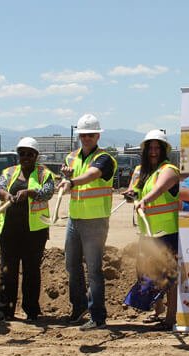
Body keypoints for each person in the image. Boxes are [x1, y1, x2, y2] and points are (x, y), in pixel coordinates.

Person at [56, 114, 116, 331]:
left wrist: (71, 181)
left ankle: (98, 316)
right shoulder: (71, 158)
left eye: (90, 135)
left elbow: (92, 175)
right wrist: (65, 177)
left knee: (93, 270)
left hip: (95, 221)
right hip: (75, 219)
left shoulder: (105, 159)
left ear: (98, 136)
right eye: (83, 135)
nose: (86, 138)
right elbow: (66, 181)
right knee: (72, 266)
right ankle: (79, 307)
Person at [0, 137, 55, 323]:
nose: (26, 157)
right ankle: (4, 311)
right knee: (8, 271)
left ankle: (31, 311)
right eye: (22, 154)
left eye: (30, 154)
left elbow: (47, 193)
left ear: (36, 156)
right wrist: (7, 195)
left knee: (31, 271)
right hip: (9, 231)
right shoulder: (9, 172)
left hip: (34, 231)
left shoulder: (44, 174)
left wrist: (29, 193)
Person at [127, 129, 180, 330]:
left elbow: (160, 189)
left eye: (158, 148)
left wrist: (145, 200)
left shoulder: (169, 169)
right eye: (150, 148)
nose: (154, 151)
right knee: (148, 272)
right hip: (147, 232)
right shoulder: (141, 172)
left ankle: (171, 317)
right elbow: (134, 190)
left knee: (169, 276)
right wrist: (132, 195)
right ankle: (158, 310)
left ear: (164, 150)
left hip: (167, 231)